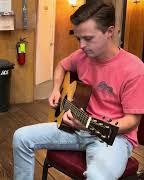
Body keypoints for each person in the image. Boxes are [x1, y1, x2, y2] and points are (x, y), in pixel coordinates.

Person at [13, 2, 144, 180]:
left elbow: (132, 121)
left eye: (88, 38)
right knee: (21, 137)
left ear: (109, 32)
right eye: (78, 39)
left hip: (114, 138)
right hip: (77, 128)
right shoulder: (82, 56)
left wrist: (90, 125)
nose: (81, 45)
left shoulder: (134, 68)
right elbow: (61, 66)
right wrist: (55, 90)